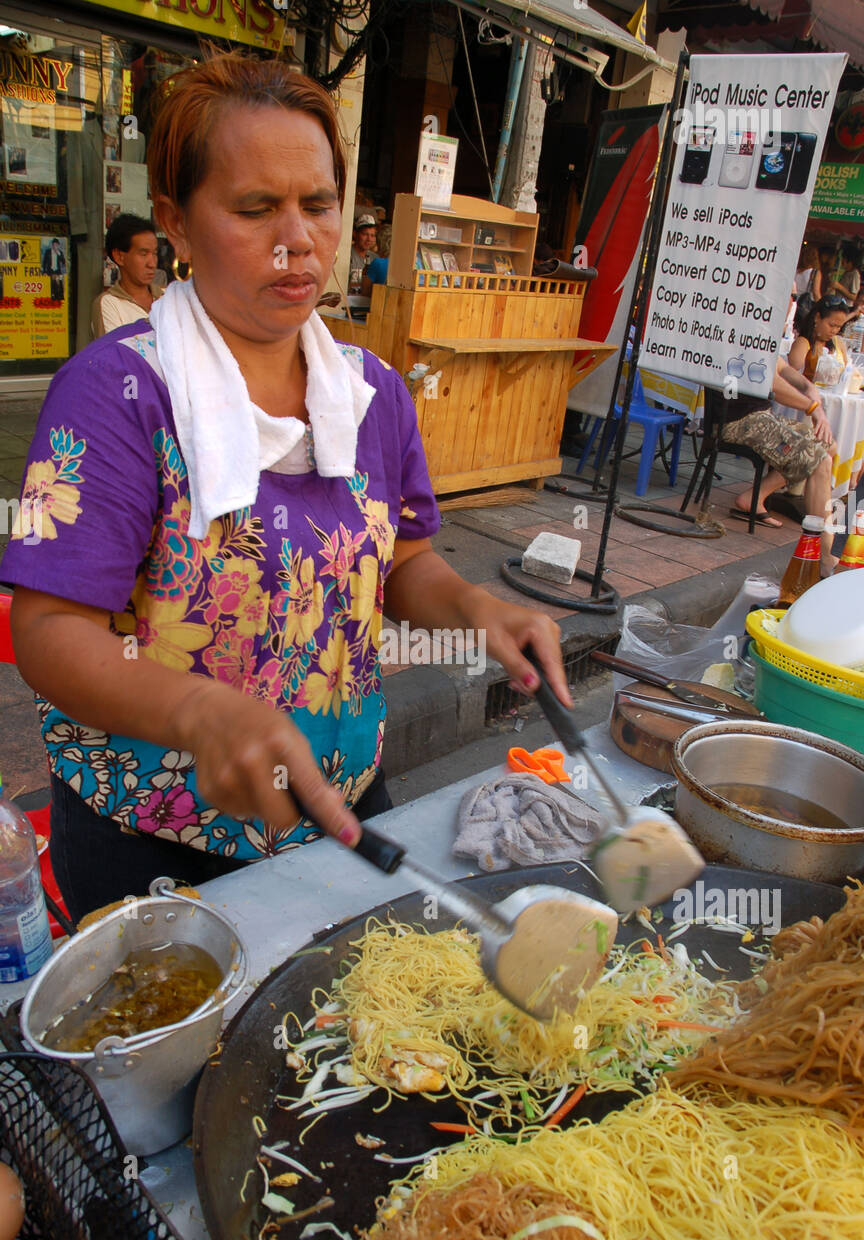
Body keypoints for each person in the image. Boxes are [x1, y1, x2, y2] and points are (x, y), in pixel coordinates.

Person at [0, 52, 568, 923]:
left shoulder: (369, 393)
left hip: (337, 807)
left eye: (319, 204)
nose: (295, 238)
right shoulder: (117, 394)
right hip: (150, 834)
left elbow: (405, 561)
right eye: (255, 207)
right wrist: (195, 711)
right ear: (175, 224)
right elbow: (47, 631)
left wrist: (474, 609)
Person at [723, 356, 838, 571]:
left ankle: (754, 497)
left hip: (761, 415)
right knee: (821, 459)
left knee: (827, 444)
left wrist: (808, 385)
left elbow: (782, 367)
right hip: (739, 419)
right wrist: (813, 407)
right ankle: (824, 556)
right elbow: (773, 381)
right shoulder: (752, 328)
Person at [90, 213, 164, 338]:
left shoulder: (167, 298)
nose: (152, 263)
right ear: (119, 256)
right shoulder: (110, 303)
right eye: (143, 254)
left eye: (155, 253)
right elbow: (116, 354)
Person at [789, 294, 851, 382]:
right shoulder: (803, 343)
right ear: (817, 317)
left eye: (839, 327)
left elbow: (846, 373)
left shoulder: (838, 342)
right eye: (832, 325)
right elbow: (791, 373)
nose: (834, 331)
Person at [348, 212, 377, 294]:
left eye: (372, 235)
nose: (369, 239)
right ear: (355, 234)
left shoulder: (375, 258)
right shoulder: (347, 255)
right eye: (365, 234)